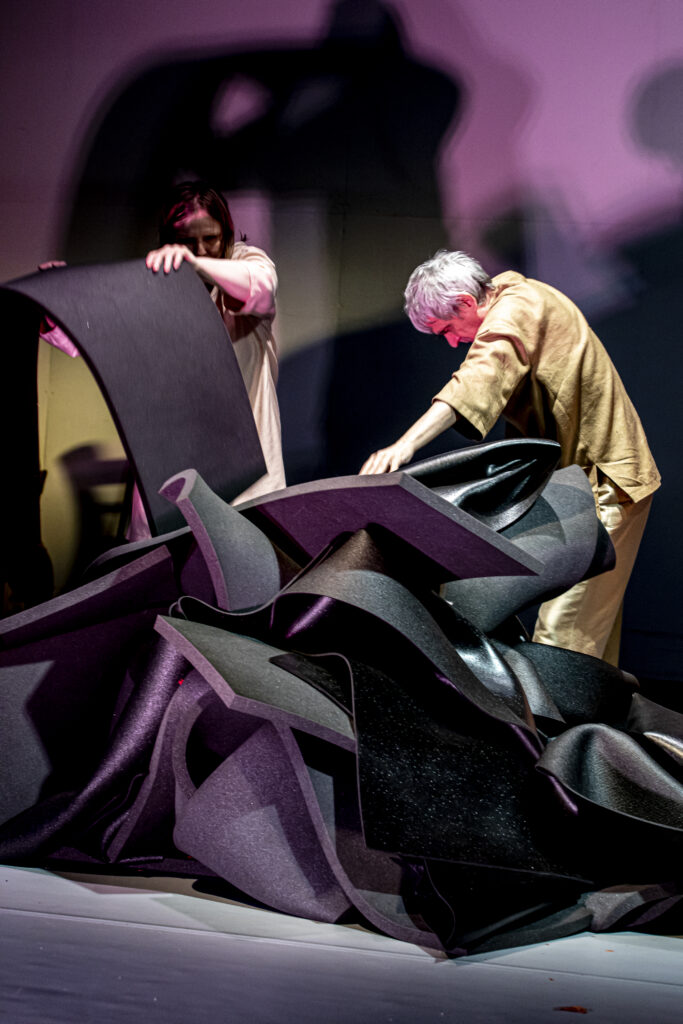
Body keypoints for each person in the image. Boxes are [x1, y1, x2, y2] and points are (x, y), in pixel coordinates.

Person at [360, 250, 660, 665]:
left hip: (605, 484)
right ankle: (590, 722)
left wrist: (405, 445)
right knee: (589, 636)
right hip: (584, 483)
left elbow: (477, 377)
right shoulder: (513, 291)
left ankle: (558, 729)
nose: (451, 341)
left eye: (447, 328)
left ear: (467, 302)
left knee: (564, 635)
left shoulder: (516, 310)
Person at [42, 181, 285, 541]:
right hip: (171, 486)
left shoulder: (244, 263)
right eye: (187, 242)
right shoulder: (154, 287)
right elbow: (87, 339)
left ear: (227, 236)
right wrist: (58, 300)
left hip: (245, 491)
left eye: (211, 239)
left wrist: (197, 264)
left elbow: (260, 289)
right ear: (168, 240)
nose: (201, 249)